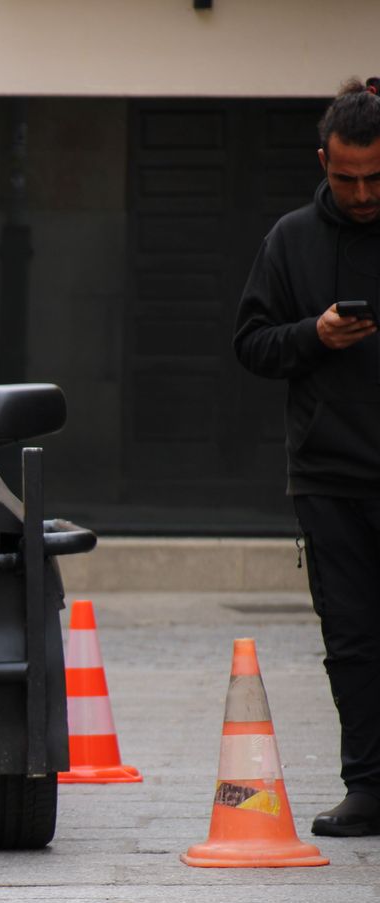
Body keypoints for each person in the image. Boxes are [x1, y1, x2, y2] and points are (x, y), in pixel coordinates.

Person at [236, 77, 380, 838]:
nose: (360, 192)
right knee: (352, 642)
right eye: (345, 176)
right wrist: (310, 337)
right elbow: (250, 344)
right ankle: (369, 788)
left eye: (375, 177)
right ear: (323, 160)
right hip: (330, 476)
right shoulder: (290, 239)